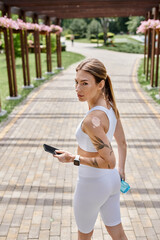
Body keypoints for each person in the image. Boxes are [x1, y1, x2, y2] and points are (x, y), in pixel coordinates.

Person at [54, 58, 128, 240]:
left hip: (91, 185)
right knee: (118, 233)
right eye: (76, 82)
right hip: (111, 182)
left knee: (84, 236)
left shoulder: (92, 119)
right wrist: (121, 171)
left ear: (100, 84)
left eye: (85, 83)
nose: (78, 89)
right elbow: (122, 143)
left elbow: (109, 162)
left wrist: (73, 158)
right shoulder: (110, 105)